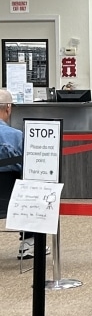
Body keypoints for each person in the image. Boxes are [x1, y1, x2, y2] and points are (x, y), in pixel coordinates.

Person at [0, 88, 47, 260]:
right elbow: (31, 169)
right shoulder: (17, 136)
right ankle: (29, 243)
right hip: (11, 200)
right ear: (8, 108)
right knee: (36, 186)